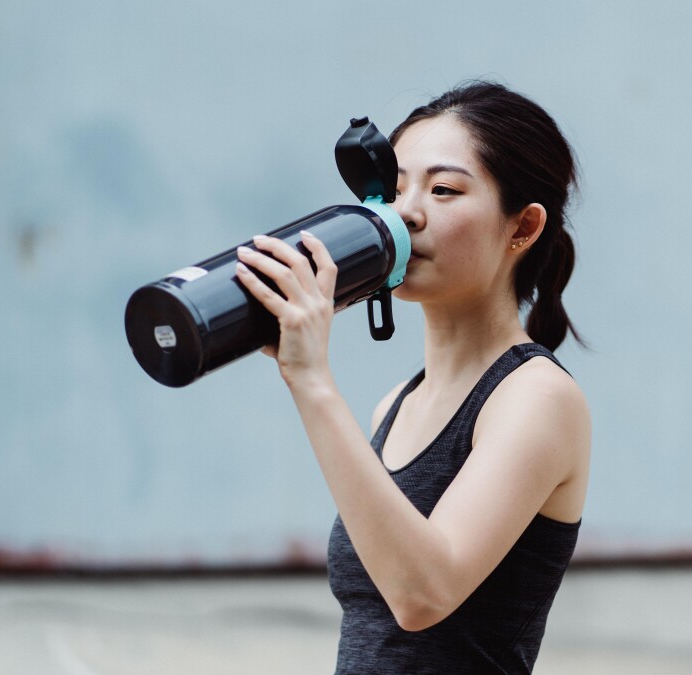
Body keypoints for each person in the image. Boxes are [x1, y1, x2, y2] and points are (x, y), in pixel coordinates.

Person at [233, 80, 590, 674]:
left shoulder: (537, 397)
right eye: (393, 190)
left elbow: (423, 593)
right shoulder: (394, 406)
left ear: (522, 229)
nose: (406, 212)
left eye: (444, 189)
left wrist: (312, 381)